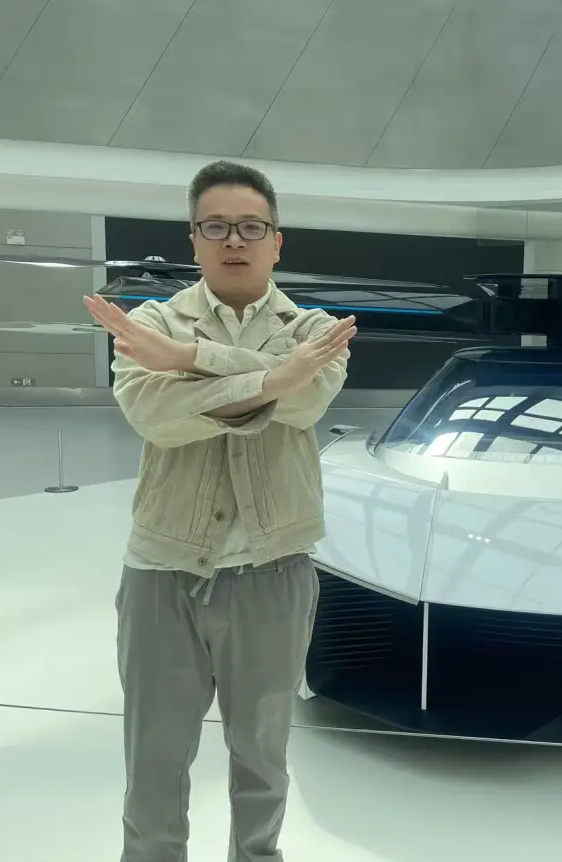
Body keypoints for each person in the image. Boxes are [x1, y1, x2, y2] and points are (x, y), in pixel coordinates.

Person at [84, 159, 356, 862]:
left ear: (276, 242)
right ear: (194, 240)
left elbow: (305, 401)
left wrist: (186, 358)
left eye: (251, 227)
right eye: (216, 227)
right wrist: (272, 376)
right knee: (153, 760)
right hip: (163, 570)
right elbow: (156, 415)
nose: (234, 240)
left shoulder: (314, 328)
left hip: (274, 569)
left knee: (263, 760)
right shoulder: (150, 321)